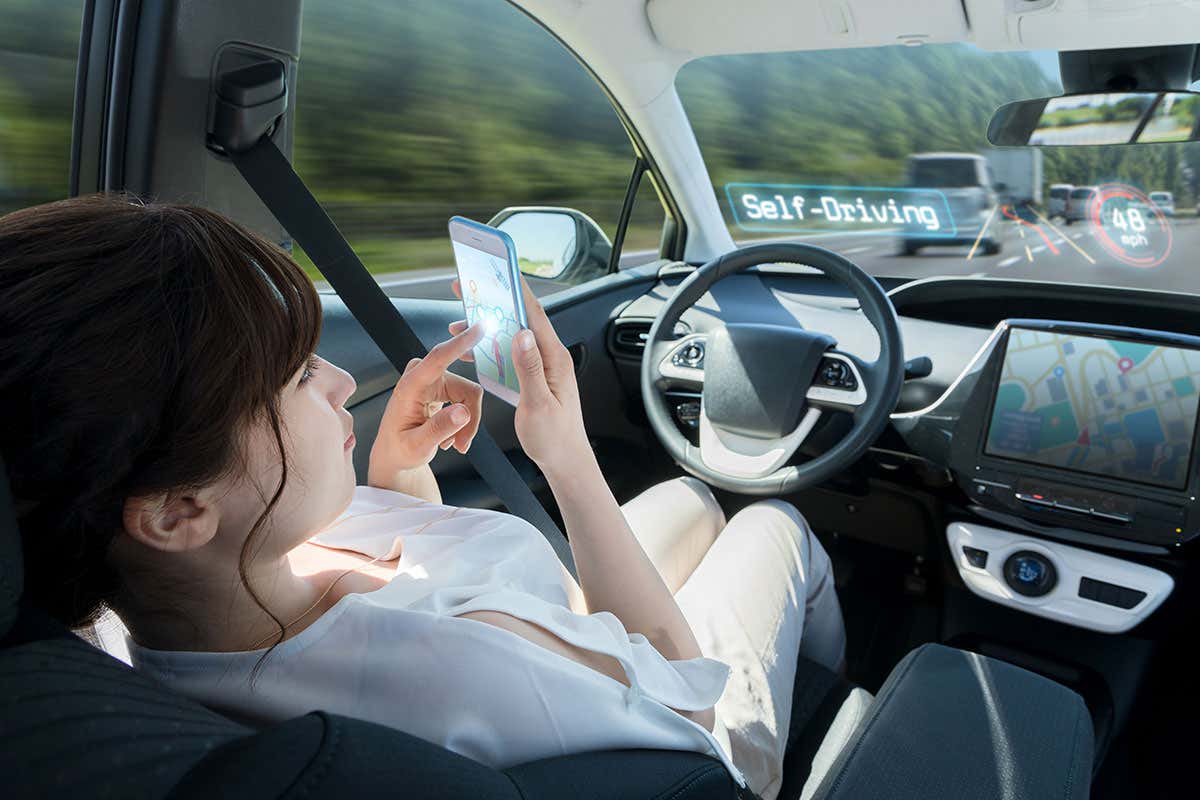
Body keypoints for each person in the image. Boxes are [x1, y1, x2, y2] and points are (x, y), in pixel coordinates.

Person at [0, 194, 845, 799]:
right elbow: (677, 685)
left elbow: (412, 594)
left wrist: (400, 479)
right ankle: (821, 717)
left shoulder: (133, 624)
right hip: (700, 749)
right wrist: (571, 459)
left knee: (692, 506)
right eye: (295, 376)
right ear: (176, 513)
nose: (336, 381)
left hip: (565, 648)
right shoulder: (476, 666)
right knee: (773, 521)